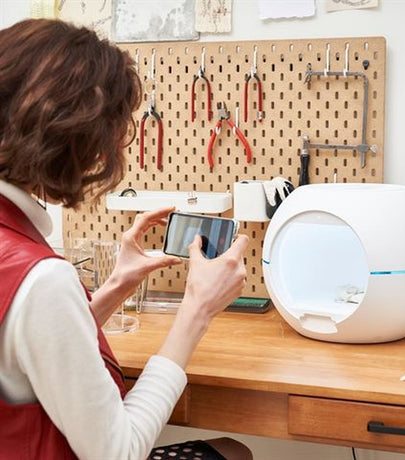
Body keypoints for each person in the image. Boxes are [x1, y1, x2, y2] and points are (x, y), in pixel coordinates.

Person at [0, 19, 252, 460]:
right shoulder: (42, 279)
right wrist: (197, 310)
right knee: (231, 452)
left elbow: (24, 351)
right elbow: (119, 452)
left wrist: (117, 286)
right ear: (74, 135)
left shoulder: (21, 263)